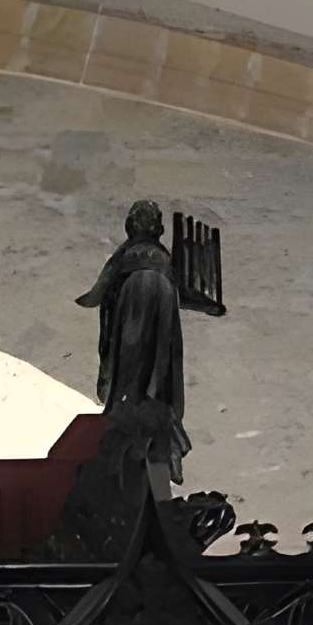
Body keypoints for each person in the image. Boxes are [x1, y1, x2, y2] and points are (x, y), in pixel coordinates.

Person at [77, 200, 187, 470]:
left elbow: (102, 290)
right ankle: (151, 395)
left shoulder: (127, 254)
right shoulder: (162, 256)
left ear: (130, 226)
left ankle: (133, 400)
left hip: (134, 299)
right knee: (159, 355)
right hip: (161, 297)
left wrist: (93, 299)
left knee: (131, 354)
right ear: (158, 228)